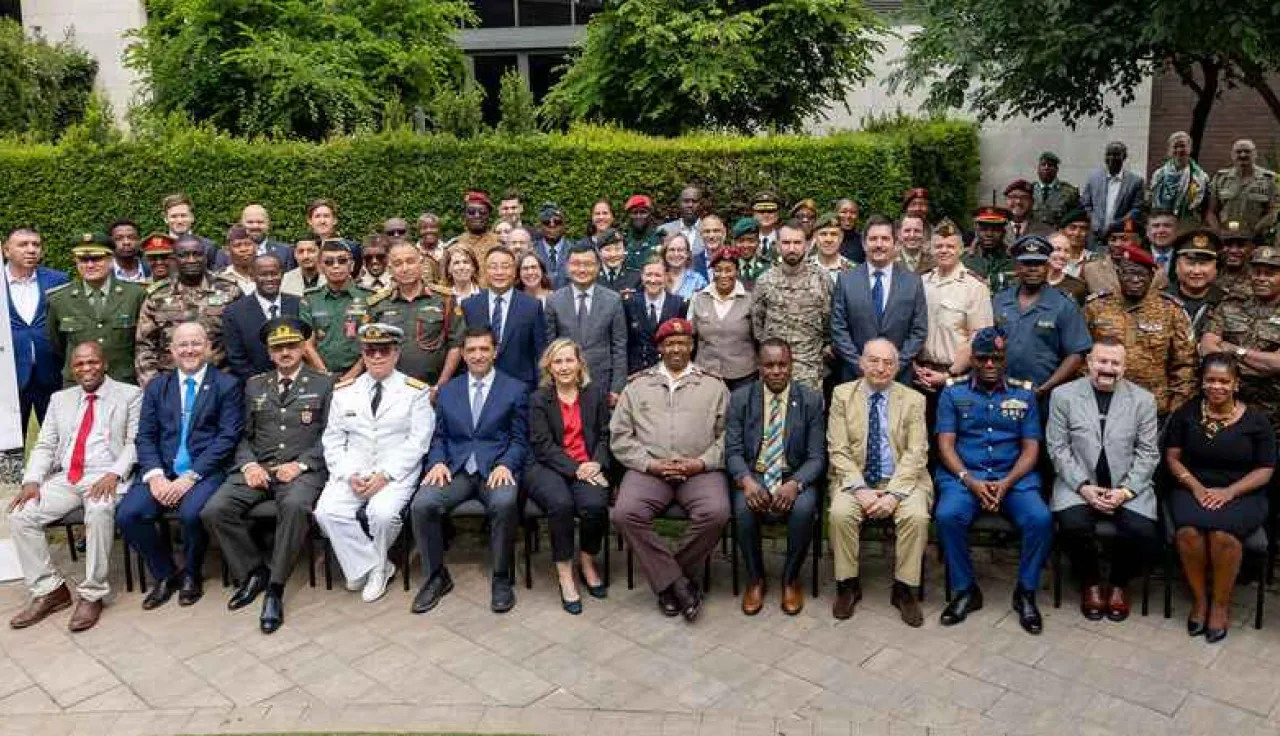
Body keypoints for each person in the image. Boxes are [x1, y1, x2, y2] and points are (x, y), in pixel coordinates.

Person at [201, 317, 333, 633]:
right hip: (260, 468)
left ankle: (275, 587)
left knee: (295, 506)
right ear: (270, 353)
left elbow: (332, 435)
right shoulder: (254, 385)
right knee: (214, 511)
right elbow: (241, 435)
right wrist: (249, 465)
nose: (285, 352)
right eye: (278, 348)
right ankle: (254, 571)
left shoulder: (324, 383)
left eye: (291, 346)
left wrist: (302, 465)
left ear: (303, 348)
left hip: (301, 470)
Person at [7, 342, 142, 632]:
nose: (86, 368)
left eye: (92, 362)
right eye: (79, 364)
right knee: (20, 514)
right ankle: (50, 590)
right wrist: (32, 480)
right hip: (67, 477)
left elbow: (135, 443)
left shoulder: (129, 395)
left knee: (99, 510)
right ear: (72, 369)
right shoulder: (60, 399)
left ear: (104, 364)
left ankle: (92, 594)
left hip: (105, 475)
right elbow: (45, 444)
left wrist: (114, 474)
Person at [116, 322, 243, 609]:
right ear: (172, 351)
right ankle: (165, 574)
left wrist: (190, 477)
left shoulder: (227, 385)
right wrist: (155, 476)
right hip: (163, 469)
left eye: (196, 343)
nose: (189, 350)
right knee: (128, 515)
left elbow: (227, 438)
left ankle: (192, 574)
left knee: (191, 514)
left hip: (205, 470)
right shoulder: (157, 387)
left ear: (208, 348)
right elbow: (145, 436)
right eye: (182, 345)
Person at [610, 318, 730, 622]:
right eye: (670, 344)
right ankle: (679, 584)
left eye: (683, 343)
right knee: (624, 513)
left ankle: (668, 579)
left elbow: (729, 437)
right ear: (660, 348)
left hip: (699, 469)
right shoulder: (637, 386)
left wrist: (701, 463)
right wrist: (649, 464)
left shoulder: (713, 386)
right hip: (650, 469)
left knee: (716, 513)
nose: (676, 349)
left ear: (692, 346)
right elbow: (620, 436)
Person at [934, 327, 1051, 635]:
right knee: (947, 515)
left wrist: (1007, 482)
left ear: (1005, 359)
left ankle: (1025, 592)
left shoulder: (1024, 393)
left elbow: (1031, 449)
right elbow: (946, 445)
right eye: (983, 358)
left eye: (996, 358)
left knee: (1039, 518)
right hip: (965, 476)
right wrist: (970, 481)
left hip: (1013, 478)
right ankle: (965, 590)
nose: (989, 364)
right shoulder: (953, 392)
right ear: (972, 359)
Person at [314, 323, 434, 602]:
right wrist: (348, 474)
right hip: (353, 469)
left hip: (395, 471)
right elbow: (332, 440)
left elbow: (419, 441)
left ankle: (375, 572)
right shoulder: (345, 392)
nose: (377, 357)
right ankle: (374, 565)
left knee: (382, 515)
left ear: (396, 353)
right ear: (363, 354)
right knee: (326, 513)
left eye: (384, 350)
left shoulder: (415, 391)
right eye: (370, 351)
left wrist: (385, 475)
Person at [412, 327, 528, 614]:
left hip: (496, 469)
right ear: (462, 354)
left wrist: (506, 464)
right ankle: (436, 576)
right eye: (471, 350)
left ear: (495, 352)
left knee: (505, 502)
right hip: (456, 470)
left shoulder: (515, 389)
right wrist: (437, 462)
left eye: (484, 349)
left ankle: (501, 577)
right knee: (422, 504)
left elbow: (520, 440)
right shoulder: (448, 390)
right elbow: (438, 437)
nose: (478, 355)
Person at [1047, 339, 1159, 621]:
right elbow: (1058, 448)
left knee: (1140, 529)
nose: (1108, 368)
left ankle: (1120, 585)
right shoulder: (1063, 396)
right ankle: (1091, 583)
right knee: (1073, 524)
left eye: (1115, 363)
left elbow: (1148, 453)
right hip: (1078, 483)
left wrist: (1125, 491)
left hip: (1127, 484)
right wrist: (1083, 487)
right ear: (1089, 363)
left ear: (1125, 367)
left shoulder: (1143, 400)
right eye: (1102, 361)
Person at [1167, 352, 1276, 642]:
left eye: (1224, 381)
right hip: (1192, 487)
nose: (1217, 386)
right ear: (1202, 383)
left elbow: (1265, 470)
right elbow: (1173, 458)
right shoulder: (1186, 414)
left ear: (1236, 384)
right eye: (1211, 380)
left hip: (1242, 492)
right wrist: (1195, 487)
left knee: (1222, 534)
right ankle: (1200, 600)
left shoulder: (1257, 421)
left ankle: (1220, 605)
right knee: (1189, 532)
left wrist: (1229, 492)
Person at [827, 339, 930, 626]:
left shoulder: (913, 400)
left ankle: (904, 590)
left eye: (888, 363)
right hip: (855, 478)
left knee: (916, 516)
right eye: (873, 360)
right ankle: (847, 585)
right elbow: (838, 450)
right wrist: (860, 490)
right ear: (861, 363)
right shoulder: (842, 395)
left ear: (896, 368)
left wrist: (893, 495)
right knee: (840, 513)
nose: (880, 368)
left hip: (903, 479)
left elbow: (916, 452)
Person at [725, 339, 824, 616]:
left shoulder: (810, 400)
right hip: (754, 473)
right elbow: (732, 452)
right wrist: (746, 481)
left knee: (803, 509)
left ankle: (790, 579)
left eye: (782, 364)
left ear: (792, 365)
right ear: (759, 367)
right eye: (769, 365)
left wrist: (795, 484)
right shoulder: (742, 399)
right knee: (744, 509)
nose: (777, 371)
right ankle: (755, 579)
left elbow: (817, 457)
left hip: (793, 474)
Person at [526, 339, 612, 613]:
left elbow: (605, 435)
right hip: (547, 467)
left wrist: (596, 463)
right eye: (558, 361)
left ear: (579, 364)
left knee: (595, 505)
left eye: (569, 360)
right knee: (561, 504)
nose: (564, 367)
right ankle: (565, 573)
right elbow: (542, 445)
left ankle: (586, 561)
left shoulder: (594, 394)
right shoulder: (539, 399)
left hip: (588, 464)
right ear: (549, 367)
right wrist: (577, 469)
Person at [1083, 244, 1195, 417]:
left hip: (1155, 407)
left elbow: (1185, 362)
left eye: (1142, 274)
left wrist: (1176, 405)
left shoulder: (1171, 310)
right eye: (1129, 273)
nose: (1135, 280)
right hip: (1102, 403)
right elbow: (1081, 355)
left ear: (1152, 276)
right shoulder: (1096, 307)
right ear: (1118, 273)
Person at [992, 236, 1092, 402]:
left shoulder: (1063, 305)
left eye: (1038, 264)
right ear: (1017, 267)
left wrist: (1045, 388)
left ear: (1047, 266)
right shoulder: (1000, 300)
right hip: (1001, 392)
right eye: (1027, 264)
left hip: (1045, 395)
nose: (1033, 269)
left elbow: (1076, 354)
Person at [831, 214, 929, 383]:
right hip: (855, 376)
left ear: (895, 244)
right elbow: (838, 328)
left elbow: (919, 331)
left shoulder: (913, 282)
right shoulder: (846, 280)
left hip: (899, 377)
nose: (879, 244)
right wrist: (860, 365)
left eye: (885, 239)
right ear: (864, 244)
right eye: (873, 239)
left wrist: (895, 366)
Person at [134, 235, 242, 387]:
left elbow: (242, 341)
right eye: (184, 255)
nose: (191, 260)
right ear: (174, 259)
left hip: (219, 382)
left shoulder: (229, 290)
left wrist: (234, 383)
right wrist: (154, 386)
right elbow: (144, 346)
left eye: (197, 254)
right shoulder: (158, 295)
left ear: (205, 257)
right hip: (170, 383)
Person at [46, 234, 146, 385]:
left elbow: (142, 341)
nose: (90, 265)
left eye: (97, 259)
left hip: (122, 381)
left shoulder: (135, 295)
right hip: (78, 383)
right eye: (83, 260)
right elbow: (57, 344)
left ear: (111, 260)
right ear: (76, 262)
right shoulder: (59, 299)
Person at [368, 240, 463, 390]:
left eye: (410, 261)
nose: (405, 268)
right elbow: (369, 348)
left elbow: (456, 344)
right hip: (390, 389)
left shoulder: (444, 300)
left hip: (433, 387)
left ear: (420, 263)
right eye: (398, 264)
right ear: (390, 269)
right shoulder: (378, 304)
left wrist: (441, 385)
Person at [1201, 244, 1280, 426]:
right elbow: (1207, 348)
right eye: (1257, 272)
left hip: (1273, 414)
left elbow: (1277, 364)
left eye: (1269, 274)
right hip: (1225, 409)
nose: (1261, 278)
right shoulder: (1230, 305)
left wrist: (1233, 350)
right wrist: (1261, 363)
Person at [751, 223, 832, 393]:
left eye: (797, 242)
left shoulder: (822, 279)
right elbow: (757, 324)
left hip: (810, 369)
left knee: (810, 409)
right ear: (777, 246)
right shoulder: (765, 281)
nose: (792, 248)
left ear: (807, 245)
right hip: (774, 369)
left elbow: (830, 321)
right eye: (786, 243)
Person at [915, 219, 993, 394]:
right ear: (930, 249)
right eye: (938, 246)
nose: (944, 250)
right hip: (920, 374)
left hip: (957, 377)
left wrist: (949, 374)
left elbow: (979, 337)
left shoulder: (975, 287)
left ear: (961, 249)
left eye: (950, 246)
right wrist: (915, 367)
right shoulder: (920, 283)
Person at [545, 243, 629, 404]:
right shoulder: (554, 301)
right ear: (567, 267)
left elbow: (619, 346)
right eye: (576, 264)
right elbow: (550, 347)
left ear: (598, 266)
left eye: (588, 264)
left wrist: (617, 387)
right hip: (564, 384)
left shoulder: (613, 300)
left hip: (602, 383)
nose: (582, 270)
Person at [5, 227, 70, 433]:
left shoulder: (58, 280)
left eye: (36, 245)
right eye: (23, 245)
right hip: (8, 378)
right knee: (9, 441)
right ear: (6, 251)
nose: (31, 249)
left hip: (51, 373)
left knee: (59, 438)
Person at [462, 246, 547, 389]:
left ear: (514, 272)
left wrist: (540, 390)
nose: (499, 272)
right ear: (484, 272)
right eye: (493, 267)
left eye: (505, 266)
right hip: (479, 385)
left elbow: (540, 352)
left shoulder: (531, 306)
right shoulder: (470, 306)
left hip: (521, 386)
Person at [222, 254, 300, 383]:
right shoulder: (234, 312)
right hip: (255, 385)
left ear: (282, 274)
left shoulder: (298, 304)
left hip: (298, 382)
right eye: (263, 275)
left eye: (274, 273)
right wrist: (260, 383)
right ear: (252, 276)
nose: (269, 279)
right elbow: (236, 357)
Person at [299, 241, 370, 380]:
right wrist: (326, 376)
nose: (336, 266)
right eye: (329, 262)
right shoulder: (310, 299)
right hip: (320, 376)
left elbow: (373, 342)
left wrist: (350, 377)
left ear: (352, 265)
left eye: (342, 261)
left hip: (362, 376)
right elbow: (306, 344)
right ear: (320, 267)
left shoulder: (369, 297)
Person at [689, 249, 756, 392]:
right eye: (718, 270)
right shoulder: (699, 298)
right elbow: (690, 337)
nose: (723, 275)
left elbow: (758, 337)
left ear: (737, 271)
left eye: (728, 270)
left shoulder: (750, 300)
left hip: (743, 376)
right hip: (706, 373)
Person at [1206, 139, 1280, 236]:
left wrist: (1253, 232)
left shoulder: (1270, 179)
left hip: (1257, 238)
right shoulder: (1220, 178)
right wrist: (1218, 232)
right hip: (1226, 238)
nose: (1243, 155)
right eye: (1238, 152)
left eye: (1247, 151)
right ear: (1232, 155)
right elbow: (1211, 212)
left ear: (1255, 154)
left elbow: (1272, 212)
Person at [625, 258, 685, 375]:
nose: (653, 280)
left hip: (668, 371)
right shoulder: (629, 303)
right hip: (637, 372)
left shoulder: (679, 304)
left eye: (658, 275)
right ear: (642, 276)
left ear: (666, 277)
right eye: (648, 275)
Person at [1081, 142, 1146, 247]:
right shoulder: (1093, 179)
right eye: (1108, 154)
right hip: (1095, 235)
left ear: (1124, 157)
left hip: (1120, 236)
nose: (1111, 158)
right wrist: (1094, 221)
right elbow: (1085, 204)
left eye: (1116, 155)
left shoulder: (1135, 181)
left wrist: (1116, 225)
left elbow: (1136, 209)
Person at [1166, 229, 1224, 338]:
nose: (1196, 271)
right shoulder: (1160, 300)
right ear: (1177, 266)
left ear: (1215, 268)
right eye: (1190, 263)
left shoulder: (1225, 302)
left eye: (1203, 264)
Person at [221, 204, 295, 271]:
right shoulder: (224, 253)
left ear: (268, 224)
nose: (255, 226)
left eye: (260, 222)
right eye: (250, 222)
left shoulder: (286, 252)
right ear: (241, 223)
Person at [963, 206, 1016, 293]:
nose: (989, 234)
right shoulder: (964, 260)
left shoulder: (1015, 260)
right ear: (977, 232)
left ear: (1004, 232)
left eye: (995, 230)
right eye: (984, 229)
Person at [160, 193, 217, 267]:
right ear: (165, 219)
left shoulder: (208, 247)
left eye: (183, 216)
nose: (179, 221)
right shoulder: (157, 249)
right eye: (174, 216)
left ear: (192, 217)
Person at [448, 190, 500, 269]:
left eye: (482, 212)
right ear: (464, 216)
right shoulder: (454, 246)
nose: (477, 216)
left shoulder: (499, 244)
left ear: (489, 216)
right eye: (471, 212)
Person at [1032, 151, 1080, 230]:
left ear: (1057, 169)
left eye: (1050, 165)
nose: (1046, 167)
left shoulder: (1070, 192)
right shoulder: (1030, 191)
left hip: (1058, 234)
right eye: (1043, 165)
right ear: (1038, 169)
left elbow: (1075, 218)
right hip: (1033, 234)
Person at [305, 198, 361, 265]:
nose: (322, 221)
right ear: (310, 221)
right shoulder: (306, 250)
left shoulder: (352, 248)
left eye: (326, 216)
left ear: (335, 220)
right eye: (317, 216)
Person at [1214, 222, 1256, 300]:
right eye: (1227, 244)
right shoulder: (1210, 278)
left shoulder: (1258, 281)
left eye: (1241, 245)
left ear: (1251, 248)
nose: (1233, 250)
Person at [1004, 179, 1053, 244]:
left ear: (1032, 202)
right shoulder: (998, 229)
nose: (1018, 202)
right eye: (1013, 197)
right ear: (1006, 201)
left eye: (1024, 197)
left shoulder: (1047, 232)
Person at [534, 203, 571, 289]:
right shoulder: (532, 251)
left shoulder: (575, 250)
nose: (552, 225)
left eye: (557, 222)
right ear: (540, 225)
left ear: (564, 225)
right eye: (546, 222)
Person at [1045, 233, 1088, 306]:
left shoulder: (1077, 286)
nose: (1062, 255)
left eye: (1067, 251)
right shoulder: (1031, 280)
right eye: (1057, 249)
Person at [811, 212, 855, 282]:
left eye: (834, 234)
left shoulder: (854, 270)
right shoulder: (802, 267)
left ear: (841, 237)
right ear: (815, 237)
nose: (829, 239)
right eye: (823, 234)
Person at [596, 229, 641, 298]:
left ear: (625, 250)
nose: (613, 254)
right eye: (607, 250)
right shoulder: (592, 276)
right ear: (599, 252)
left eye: (618, 249)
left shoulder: (637, 277)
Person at [623, 194, 662, 271]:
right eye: (634, 213)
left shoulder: (661, 238)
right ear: (629, 215)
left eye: (643, 212)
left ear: (650, 214)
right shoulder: (622, 239)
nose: (638, 216)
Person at [662, 234, 708, 299]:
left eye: (680, 250)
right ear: (665, 253)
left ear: (688, 254)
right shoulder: (656, 277)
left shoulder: (698, 281)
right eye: (672, 250)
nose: (676, 254)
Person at [217, 225, 259, 295]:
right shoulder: (221, 278)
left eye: (248, 244)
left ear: (256, 247)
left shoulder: (268, 274)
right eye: (237, 245)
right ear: (227, 250)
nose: (244, 249)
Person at [734, 217, 773, 288]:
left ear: (758, 242)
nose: (745, 246)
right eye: (741, 241)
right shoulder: (728, 267)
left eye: (751, 240)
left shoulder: (768, 267)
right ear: (734, 243)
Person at [108, 219, 148, 283]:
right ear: (110, 242)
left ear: (139, 240)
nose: (126, 242)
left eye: (131, 237)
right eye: (119, 238)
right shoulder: (104, 272)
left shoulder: (151, 267)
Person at [1058, 208, 1095, 278]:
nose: (1077, 233)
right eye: (1072, 228)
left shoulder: (1094, 260)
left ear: (1088, 233)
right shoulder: (1052, 258)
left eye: (1083, 228)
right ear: (1061, 231)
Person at [1146, 208, 1181, 278]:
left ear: (1177, 231)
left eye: (1167, 225)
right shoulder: (1135, 257)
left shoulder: (1184, 256)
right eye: (1156, 226)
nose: (1161, 231)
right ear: (1147, 232)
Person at [752, 191, 783, 261]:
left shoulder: (785, 238)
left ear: (777, 215)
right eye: (761, 212)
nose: (766, 215)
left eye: (770, 211)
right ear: (754, 214)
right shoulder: (746, 239)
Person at [836, 198, 864, 264]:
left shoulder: (863, 241)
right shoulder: (826, 239)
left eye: (853, 212)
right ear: (836, 214)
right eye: (843, 212)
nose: (848, 216)